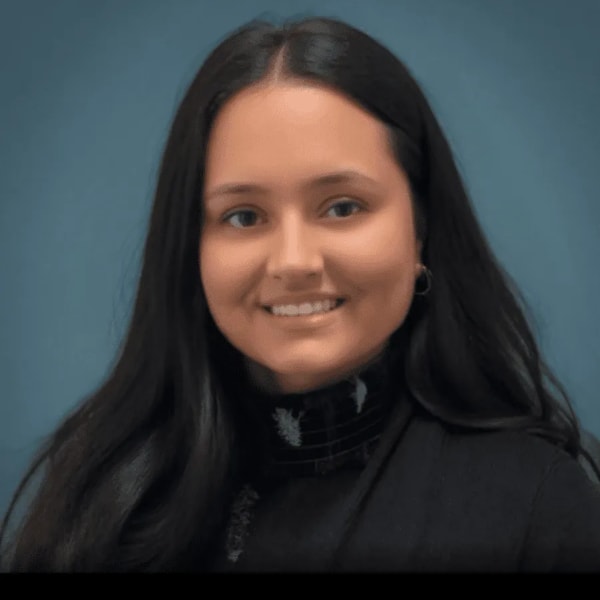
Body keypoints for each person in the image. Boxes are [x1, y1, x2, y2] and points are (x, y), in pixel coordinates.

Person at [2, 15, 600, 573]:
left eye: (342, 207)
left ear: (420, 231)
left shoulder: (536, 508)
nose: (293, 262)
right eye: (243, 216)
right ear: (191, 249)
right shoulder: (103, 497)